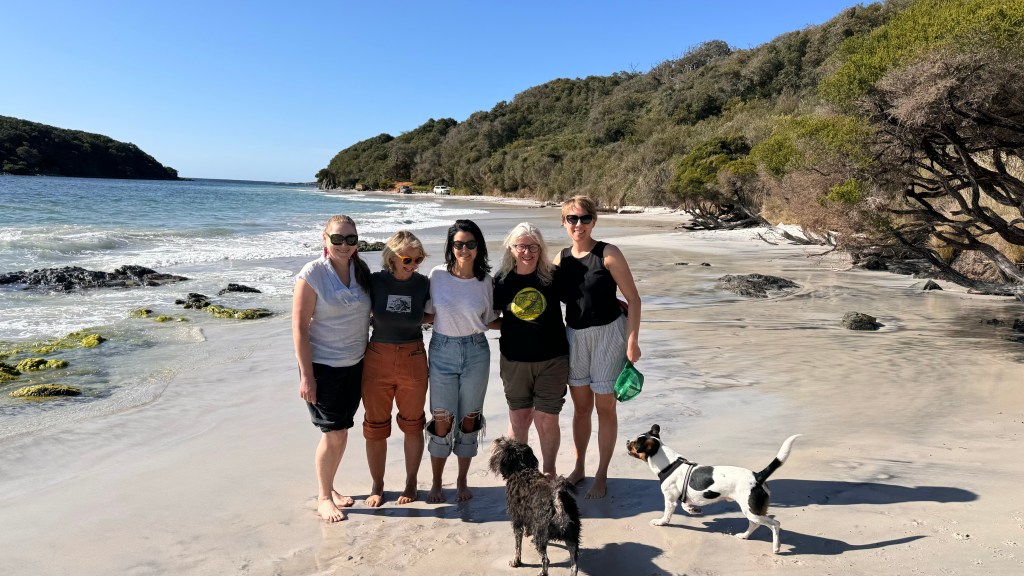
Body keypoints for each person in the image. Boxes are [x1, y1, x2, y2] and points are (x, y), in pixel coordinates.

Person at [554, 195, 642, 499]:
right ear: (563, 222)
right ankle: (579, 468)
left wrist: (633, 340)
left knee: (605, 409)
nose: (578, 224)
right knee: (580, 409)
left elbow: (634, 299)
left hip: (609, 335)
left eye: (584, 218)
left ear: (594, 221)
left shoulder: (608, 253)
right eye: (572, 219)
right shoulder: (560, 259)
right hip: (574, 337)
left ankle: (602, 473)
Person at [292, 215, 372, 522]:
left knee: (342, 430)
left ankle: (331, 487)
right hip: (323, 367)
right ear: (324, 239)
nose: (343, 245)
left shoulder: (360, 270)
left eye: (350, 239)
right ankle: (324, 497)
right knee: (334, 432)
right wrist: (306, 376)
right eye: (337, 238)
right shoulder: (312, 274)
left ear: (357, 242)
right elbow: (299, 328)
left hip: (355, 364)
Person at [424, 219, 496, 503]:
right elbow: (428, 314)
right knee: (442, 419)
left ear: (479, 248)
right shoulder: (437, 275)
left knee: (469, 419)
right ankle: (437, 483)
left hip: (477, 350)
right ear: (451, 247)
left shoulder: (486, 281)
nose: (464, 249)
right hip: (442, 348)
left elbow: (489, 319)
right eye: (458, 244)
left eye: (470, 244)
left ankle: (462, 480)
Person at [492, 222, 569, 477]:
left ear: (541, 248)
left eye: (533, 246)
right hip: (515, 360)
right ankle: (520, 475)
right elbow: (489, 316)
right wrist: (514, 326)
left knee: (547, 419)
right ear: (511, 248)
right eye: (521, 246)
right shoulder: (501, 280)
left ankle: (549, 473)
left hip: (552, 360)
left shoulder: (554, 276)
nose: (527, 252)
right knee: (520, 419)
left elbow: (583, 300)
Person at [362, 231, 432, 507]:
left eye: (419, 258)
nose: (413, 263)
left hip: (413, 355)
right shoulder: (374, 282)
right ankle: (377, 485)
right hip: (377, 356)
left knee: (413, 425)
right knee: (375, 426)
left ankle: (411, 482)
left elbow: (439, 308)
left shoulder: (424, 284)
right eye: (407, 258)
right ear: (392, 257)